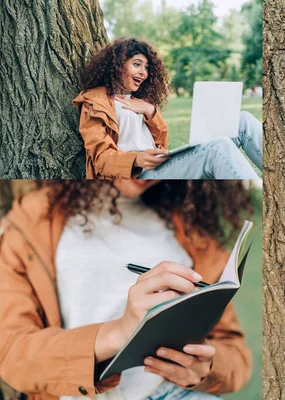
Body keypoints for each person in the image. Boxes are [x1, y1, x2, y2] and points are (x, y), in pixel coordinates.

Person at [0, 180, 253, 399]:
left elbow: (235, 354)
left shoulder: (191, 229)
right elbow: (11, 353)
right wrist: (118, 333)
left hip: (175, 392)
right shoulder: (34, 218)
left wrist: (205, 369)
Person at [73, 38, 262, 180]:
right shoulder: (94, 101)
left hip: (158, 168)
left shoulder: (141, 101)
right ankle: (260, 207)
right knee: (218, 148)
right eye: (137, 64)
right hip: (135, 179)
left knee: (242, 121)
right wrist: (136, 159)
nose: (143, 73)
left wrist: (150, 112)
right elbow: (100, 159)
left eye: (146, 68)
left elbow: (162, 143)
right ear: (116, 65)